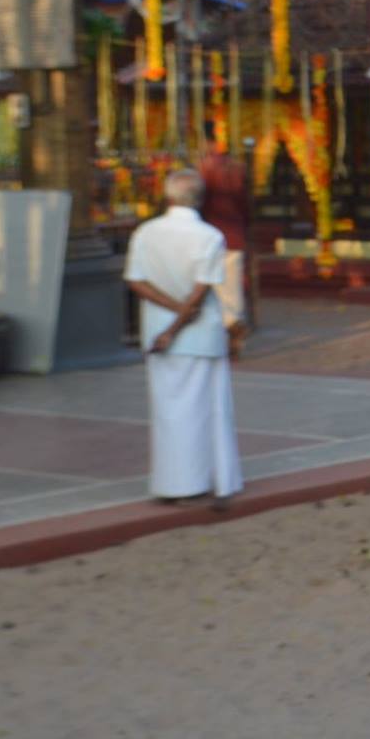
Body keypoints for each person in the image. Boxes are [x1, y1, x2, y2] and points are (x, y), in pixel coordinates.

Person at [124, 168, 242, 508]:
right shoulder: (209, 236)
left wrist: (168, 322)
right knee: (209, 409)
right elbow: (201, 291)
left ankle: (174, 482)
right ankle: (212, 478)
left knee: (168, 410)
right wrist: (179, 318)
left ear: (168, 197)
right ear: (201, 200)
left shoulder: (146, 233)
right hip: (198, 333)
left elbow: (136, 281)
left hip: (159, 334)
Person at [197, 148, 254, 359]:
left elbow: (201, 204)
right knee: (232, 284)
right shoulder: (237, 168)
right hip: (234, 234)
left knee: (212, 285)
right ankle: (234, 320)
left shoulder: (204, 169)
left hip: (210, 235)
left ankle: (228, 324)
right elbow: (246, 204)